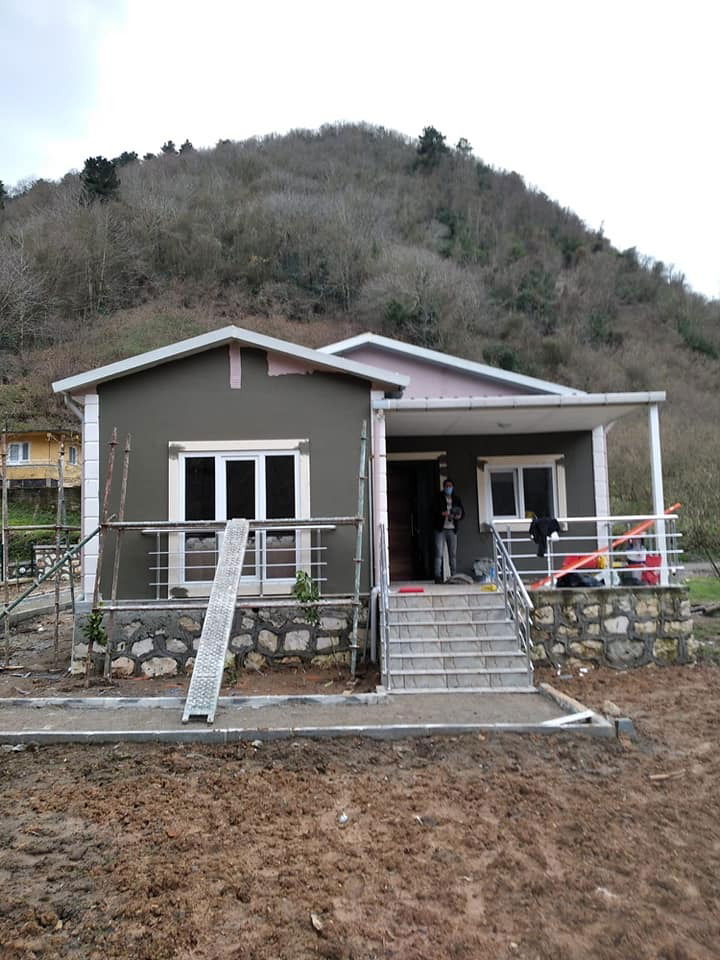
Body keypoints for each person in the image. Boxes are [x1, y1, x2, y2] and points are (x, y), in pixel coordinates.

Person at [433, 479, 464, 583]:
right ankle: (437, 576)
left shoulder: (456, 498)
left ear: (453, 487)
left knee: (453, 554)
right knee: (438, 553)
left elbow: (462, 513)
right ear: (444, 487)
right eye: (447, 486)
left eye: (450, 486)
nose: (448, 488)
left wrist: (457, 516)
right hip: (440, 529)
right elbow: (432, 511)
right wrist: (443, 513)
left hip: (452, 529)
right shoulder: (438, 497)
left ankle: (454, 576)